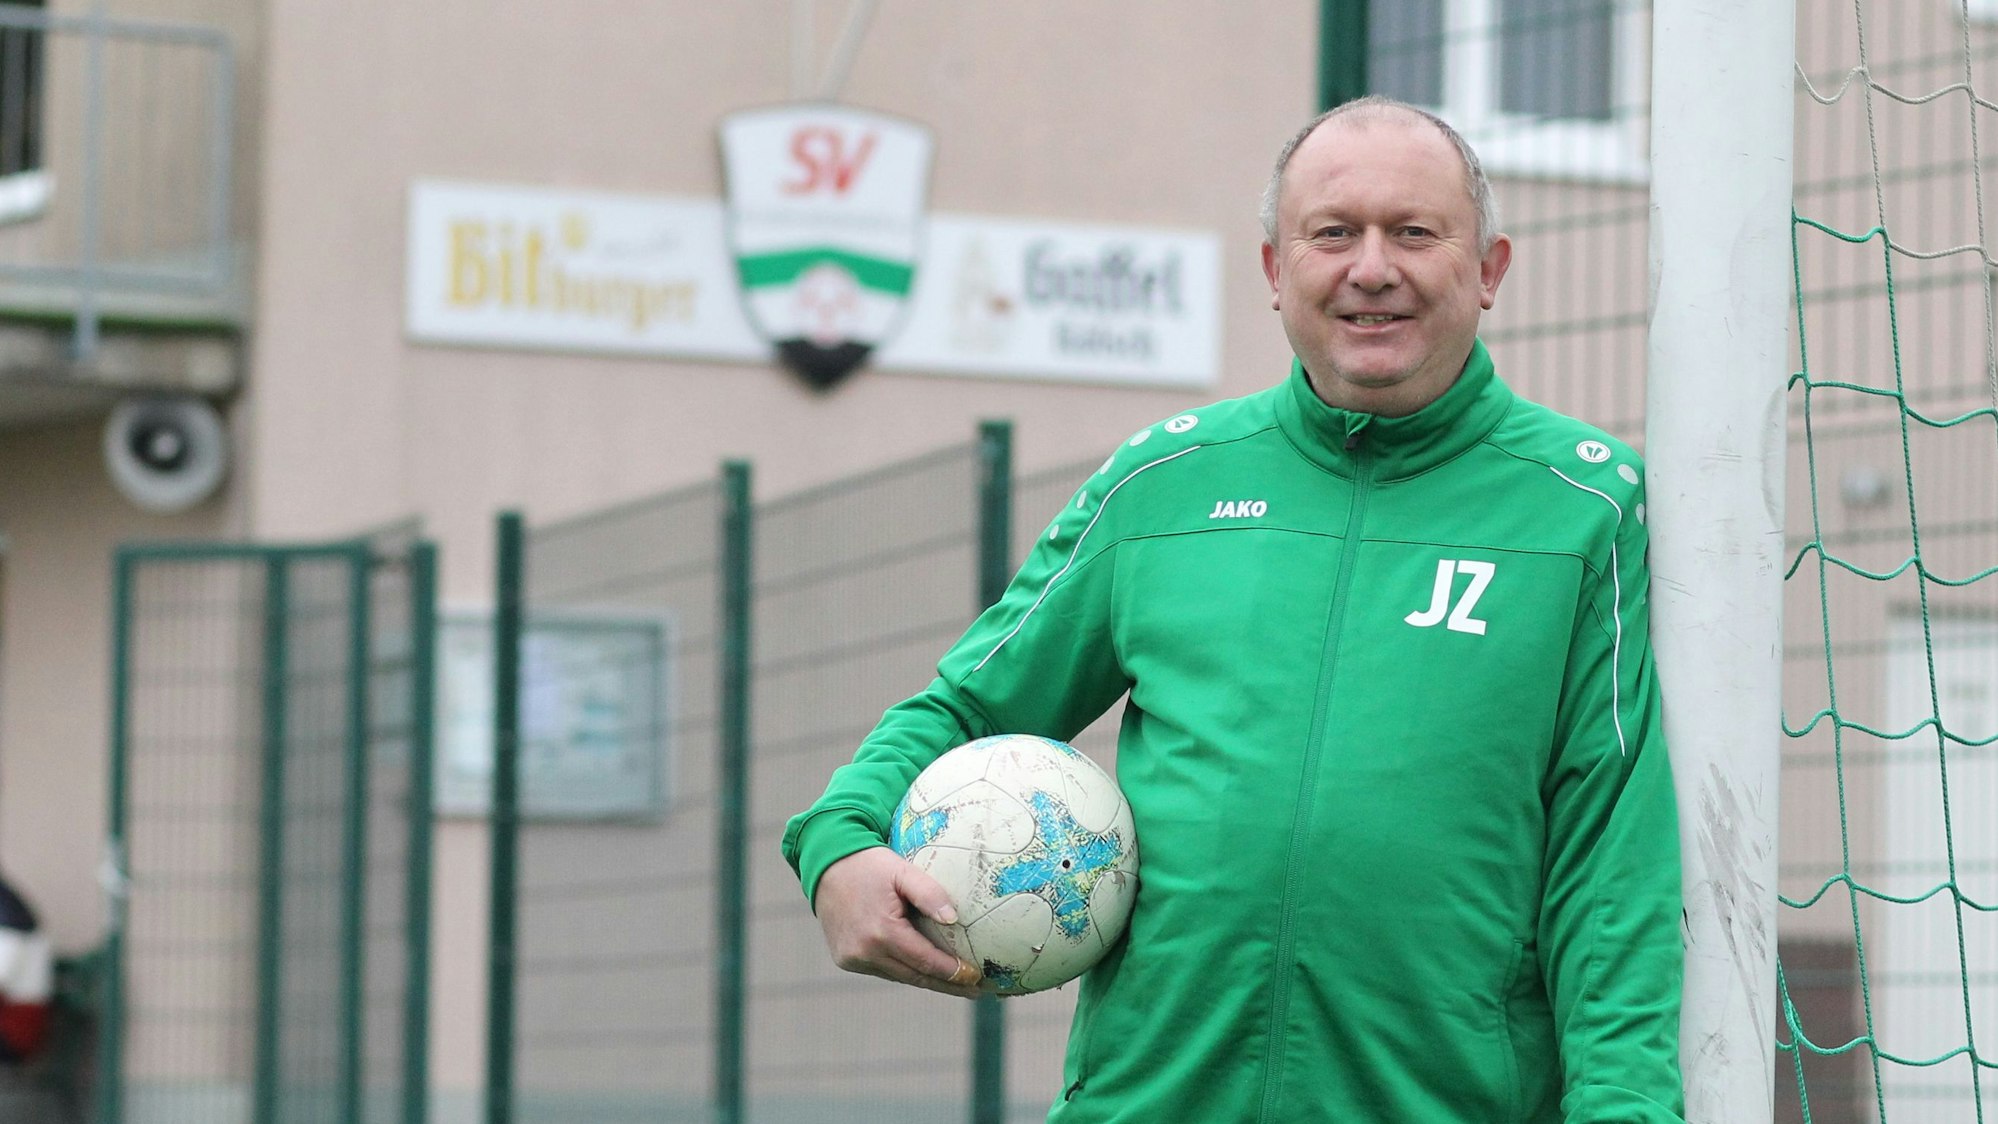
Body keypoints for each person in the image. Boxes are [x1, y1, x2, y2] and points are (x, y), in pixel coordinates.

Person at [783, 95, 1684, 1123]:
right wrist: (841, 842)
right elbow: (966, 707)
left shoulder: (1581, 506)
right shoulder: (1162, 483)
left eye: (1415, 231)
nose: (1372, 267)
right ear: (1274, 271)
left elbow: (1610, 865)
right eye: (1333, 233)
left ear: (1488, 270)